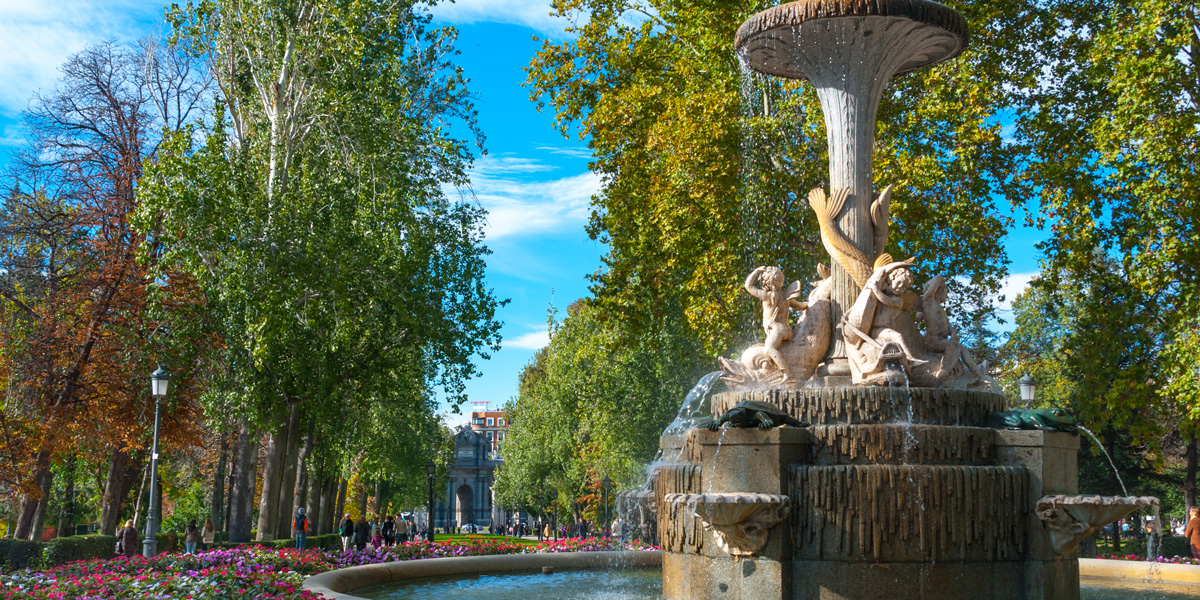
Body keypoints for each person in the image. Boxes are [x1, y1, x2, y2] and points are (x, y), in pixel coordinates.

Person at [743, 265, 805, 381]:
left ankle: (786, 373)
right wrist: (809, 304)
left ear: (766, 281)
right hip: (786, 331)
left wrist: (755, 271)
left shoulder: (766, 296)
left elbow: (748, 286)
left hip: (777, 330)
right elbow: (800, 306)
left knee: (769, 348)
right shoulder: (786, 296)